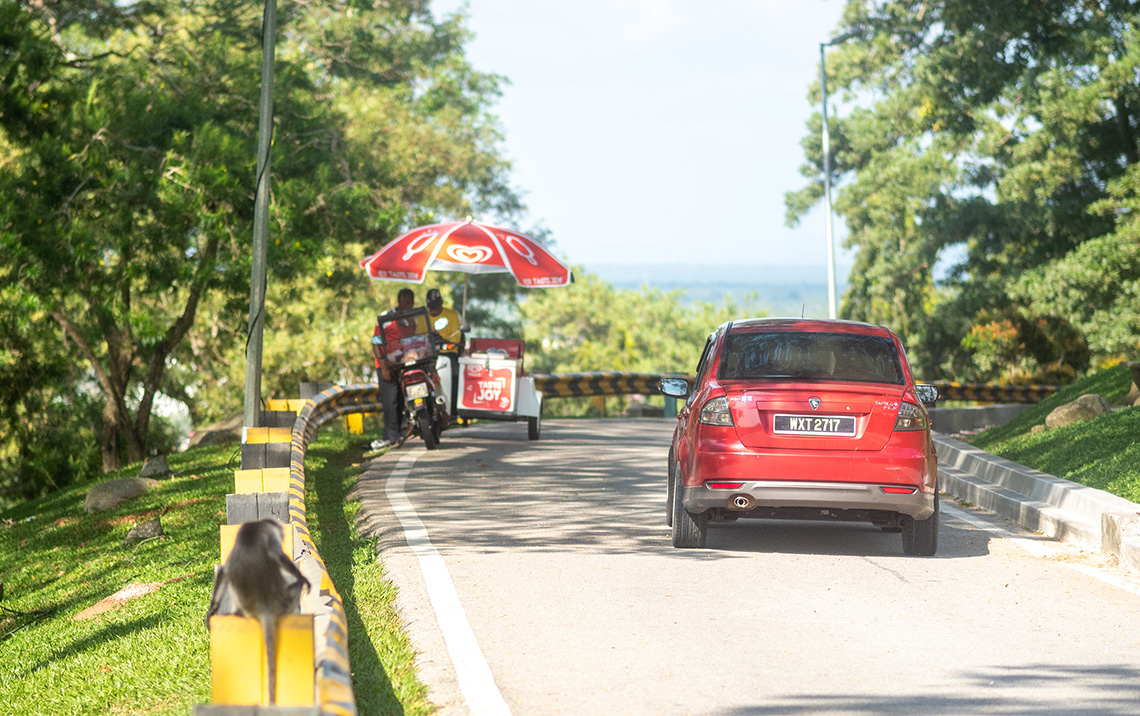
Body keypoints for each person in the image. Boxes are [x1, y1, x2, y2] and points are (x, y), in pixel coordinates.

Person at [371, 288, 415, 449]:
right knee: (391, 401)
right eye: (405, 301)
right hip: (386, 365)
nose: (408, 305)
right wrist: (383, 366)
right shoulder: (386, 318)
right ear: (399, 301)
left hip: (402, 364)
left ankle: (400, 434)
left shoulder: (412, 319)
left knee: (401, 399)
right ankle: (390, 437)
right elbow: (375, 343)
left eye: (411, 302)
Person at [425, 288, 463, 413]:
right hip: (428, 354)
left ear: (441, 302)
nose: (434, 310)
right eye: (431, 306)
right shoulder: (422, 316)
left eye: (436, 306)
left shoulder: (451, 315)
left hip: (447, 352)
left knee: (454, 371)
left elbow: (456, 338)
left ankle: (453, 408)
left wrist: (443, 340)